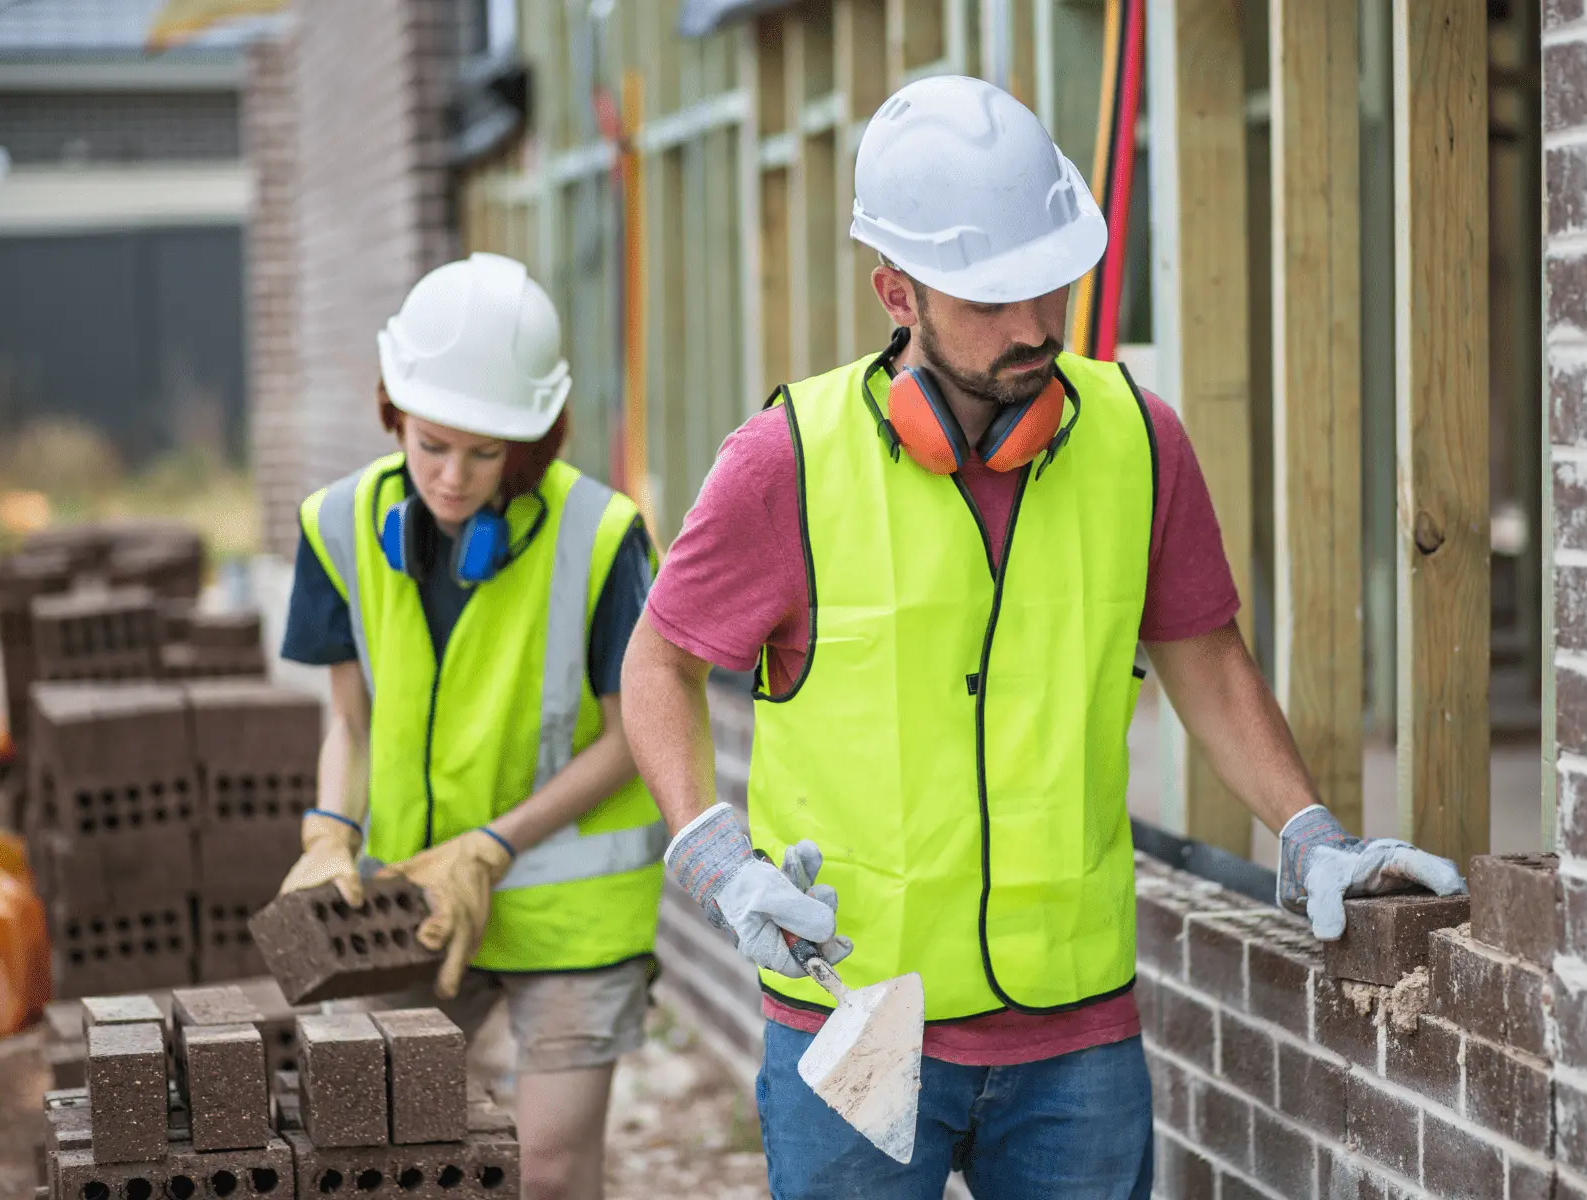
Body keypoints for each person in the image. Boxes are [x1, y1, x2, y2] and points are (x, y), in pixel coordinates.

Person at [619, 76, 1464, 1200]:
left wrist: (1309, 830)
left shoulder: (1138, 441)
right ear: (897, 292)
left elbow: (1207, 658)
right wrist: (712, 856)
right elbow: (660, 660)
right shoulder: (787, 462)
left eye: (1047, 281)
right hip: (853, 1018)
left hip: (1077, 1041)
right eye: (989, 298)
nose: (1033, 326)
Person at [276, 252, 666, 1200]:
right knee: (378, 1161)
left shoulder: (600, 536)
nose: (452, 479)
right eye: (432, 445)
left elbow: (635, 737)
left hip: (570, 914)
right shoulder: (337, 525)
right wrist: (329, 833)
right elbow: (349, 720)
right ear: (393, 413)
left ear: (532, 442)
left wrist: (492, 848)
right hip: (411, 900)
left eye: (486, 454)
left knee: (551, 1172)